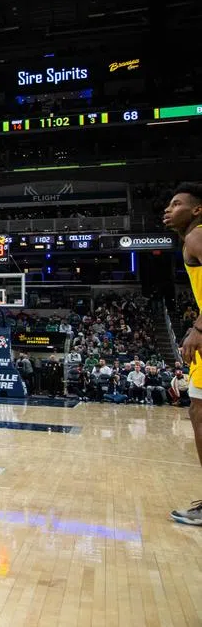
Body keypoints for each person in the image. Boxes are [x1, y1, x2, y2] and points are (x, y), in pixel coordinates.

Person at [164, 183, 202, 524]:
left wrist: (198, 328)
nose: (168, 209)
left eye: (177, 204)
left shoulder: (196, 236)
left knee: (199, 415)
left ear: (196, 210)